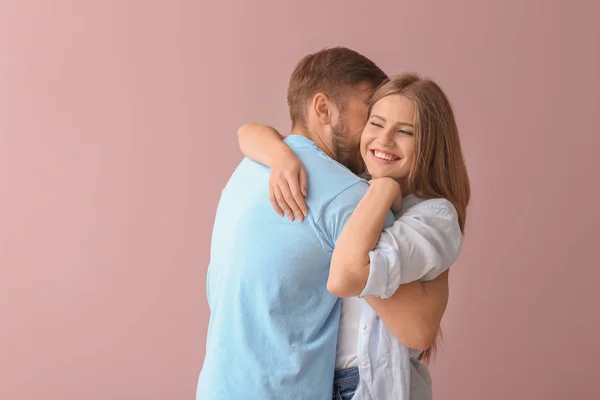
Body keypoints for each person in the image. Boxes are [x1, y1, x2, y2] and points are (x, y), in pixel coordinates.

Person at [236, 73, 470, 399]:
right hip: (316, 378)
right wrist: (280, 156)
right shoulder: (349, 181)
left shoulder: (433, 216)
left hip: (370, 383)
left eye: (405, 131)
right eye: (376, 123)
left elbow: (345, 277)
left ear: (430, 143)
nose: (384, 140)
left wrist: (384, 189)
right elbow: (248, 133)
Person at [197, 46, 393, 400]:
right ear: (323, 109)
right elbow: (417, 325)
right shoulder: (352, 197)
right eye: (371, 116)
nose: (375, 134)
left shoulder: (249, 170)